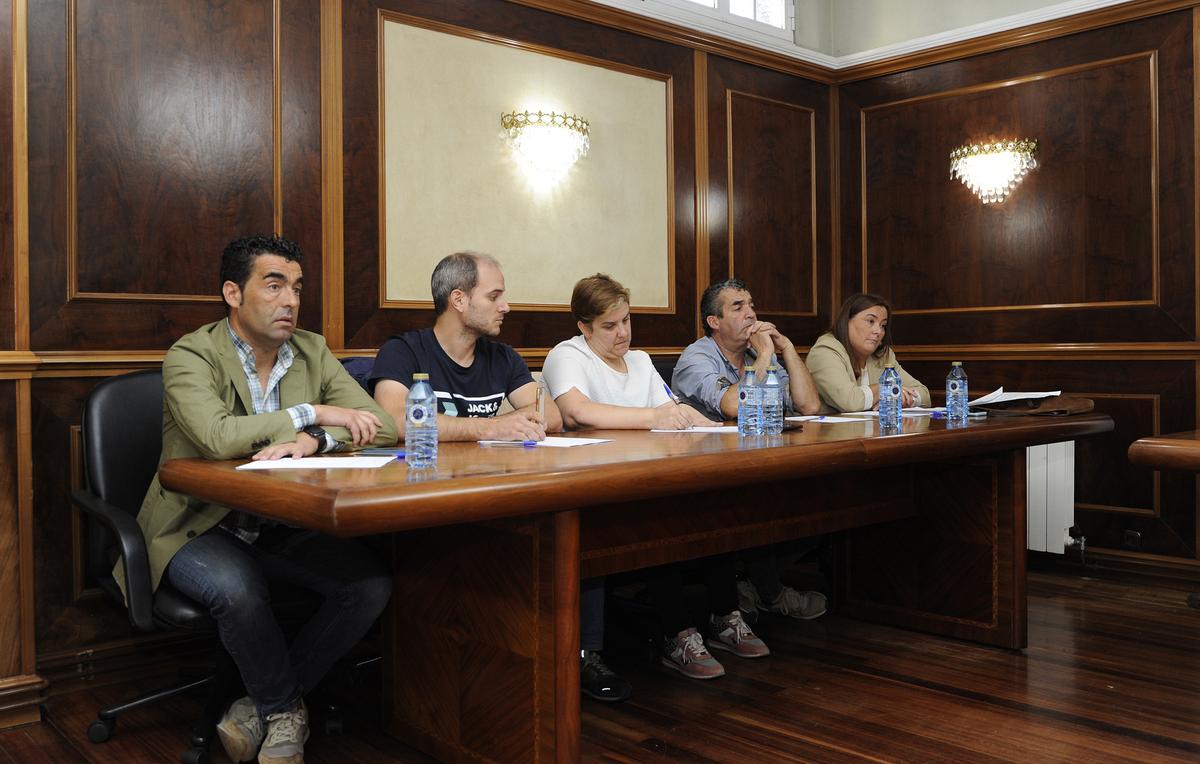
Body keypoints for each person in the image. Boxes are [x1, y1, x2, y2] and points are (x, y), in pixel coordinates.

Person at [118, 234, 400, 764]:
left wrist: (315, 441)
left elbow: (383, 425)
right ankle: (284, 710)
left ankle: (259, 707)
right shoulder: (192, 354)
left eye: (296, 287)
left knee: (368, 584)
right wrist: (312, 413)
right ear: (233, 292)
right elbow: (218, 436)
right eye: (273, 286)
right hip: (197, 524)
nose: (290, 300)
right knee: (237, 587)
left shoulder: (312, 351)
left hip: (281, 524)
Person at [368, 253, 650, 701]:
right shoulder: (405, 350)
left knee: (575, 521)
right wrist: (491, 427)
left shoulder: (500, 356)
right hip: (425, 503)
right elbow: (395, 420)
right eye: (495, 295)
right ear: (458, 299)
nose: (506, 306)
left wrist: (525, 419)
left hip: (494, 493)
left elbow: (551, 415)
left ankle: (573, 656)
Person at [543, 274, 730, 683]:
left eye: (626, 321)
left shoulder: (642, 361)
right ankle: (668, 635)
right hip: (588, 486)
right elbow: (578, 412)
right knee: (649, 527)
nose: (622, 333)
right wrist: (653, 418)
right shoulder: (568, 355)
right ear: (584, 327)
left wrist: (723, 432)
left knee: (712, 507)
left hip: (646, 478)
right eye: (609, 326)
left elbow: (675, 412)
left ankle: (721, 617)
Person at [671, 278, 828, 626]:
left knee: (816, 507)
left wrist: (785, 349)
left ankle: (754, 588)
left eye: (751, 305)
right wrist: (768, 355)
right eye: (738, 307)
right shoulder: (697, 356)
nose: (751, 314)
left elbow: (808, 404)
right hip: (701, 475)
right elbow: (733, 405)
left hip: (755, 465)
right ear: (714, 321)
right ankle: (766, 593)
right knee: (755, 509)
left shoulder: (758, 355)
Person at [805, 292, 930, 414]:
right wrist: (887, 389)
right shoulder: (825, 350)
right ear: (846, 321)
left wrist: (901, 399)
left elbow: (924, 394)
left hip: (870, 431)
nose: (878, 331)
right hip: (827, 433)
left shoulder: (883, 356)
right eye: (870, 321)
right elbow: (849, 401)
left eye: (883, 325)